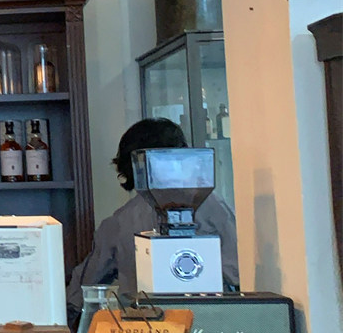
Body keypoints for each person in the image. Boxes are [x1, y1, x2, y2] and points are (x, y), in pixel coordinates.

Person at [67, 117, 239, 311]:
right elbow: (238, 275)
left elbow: (82, 290)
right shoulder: (214, 207)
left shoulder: (119, 222)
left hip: (145, 322)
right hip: (211, 319)